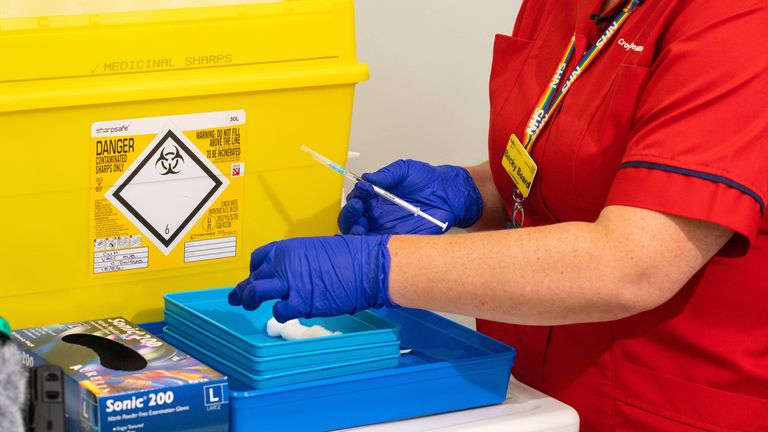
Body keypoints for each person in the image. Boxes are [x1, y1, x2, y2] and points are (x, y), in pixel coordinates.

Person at [229, 0, 768, 429]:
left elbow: (633, 263)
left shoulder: (741, 21)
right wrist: (470, 190)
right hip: (530, 391)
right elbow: (572, 162)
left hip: (661, 404)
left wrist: (381, 267)